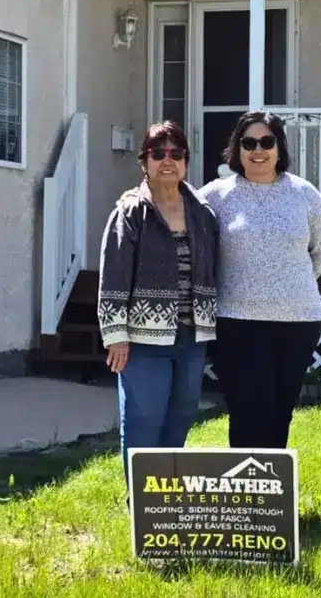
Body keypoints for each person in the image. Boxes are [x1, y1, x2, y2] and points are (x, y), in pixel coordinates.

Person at [200, 111, 321, 450]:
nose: (257, 150)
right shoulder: (216, 196)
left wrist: (286, 285)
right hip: (236, 323)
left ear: (278, 147)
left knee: (280, 413)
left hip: (296, 322)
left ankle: (273, 494)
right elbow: (186, 230)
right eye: (249, 143)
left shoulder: (305, 195)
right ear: (237, 148)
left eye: (266, 142)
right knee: (246, 412)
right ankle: (246, 495)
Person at [97, 121, 219, 487]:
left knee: (180, 418)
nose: (168, 160)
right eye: (158, 153)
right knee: (143, 420)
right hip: (143, 340)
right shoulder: (131, 211)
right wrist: (115, 336)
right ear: (144, 162)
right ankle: (141, 506)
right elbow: (113, 275)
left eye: (176, 154)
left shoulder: (202, 212)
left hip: (191, 338)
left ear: (186, 161)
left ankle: (165, 498)